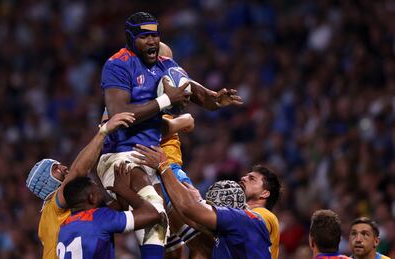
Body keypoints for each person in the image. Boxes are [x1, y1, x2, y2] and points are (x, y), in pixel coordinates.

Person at [98, 11, 243, 256]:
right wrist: (166, 100)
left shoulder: (166, 66)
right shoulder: (117, 65)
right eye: (145, 37)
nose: (152, 42)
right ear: (131, 38)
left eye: (155, 35)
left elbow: (197, 93)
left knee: (174, 226)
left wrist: (216, 100)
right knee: (156, 212)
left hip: (153, 158)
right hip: (119, 156)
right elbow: (117, 113)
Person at [133, 145, 279, 259]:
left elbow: (189, 209)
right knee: (200, 246)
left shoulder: (260, 217)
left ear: (265, 193)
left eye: (252, 179)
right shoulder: (239, 221)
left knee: (200, 243)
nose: (243, 178)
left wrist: (164, 167)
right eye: (246, 176)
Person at [25, 112, 135, 259]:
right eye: (55, 169)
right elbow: (78, 171)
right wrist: (103, 132)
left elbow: (111, 213)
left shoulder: (61, 214)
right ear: (45, 182)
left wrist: (124, 191)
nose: (64, 168)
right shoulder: (53, 206)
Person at [57, 162, 162, 259]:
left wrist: (120, 193)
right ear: (91, 198)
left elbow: (111, 212)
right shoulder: (99, 217)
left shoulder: (63, 228)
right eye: (98, 190)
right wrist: (124, 190)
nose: (102, 194)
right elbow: (153, 214)